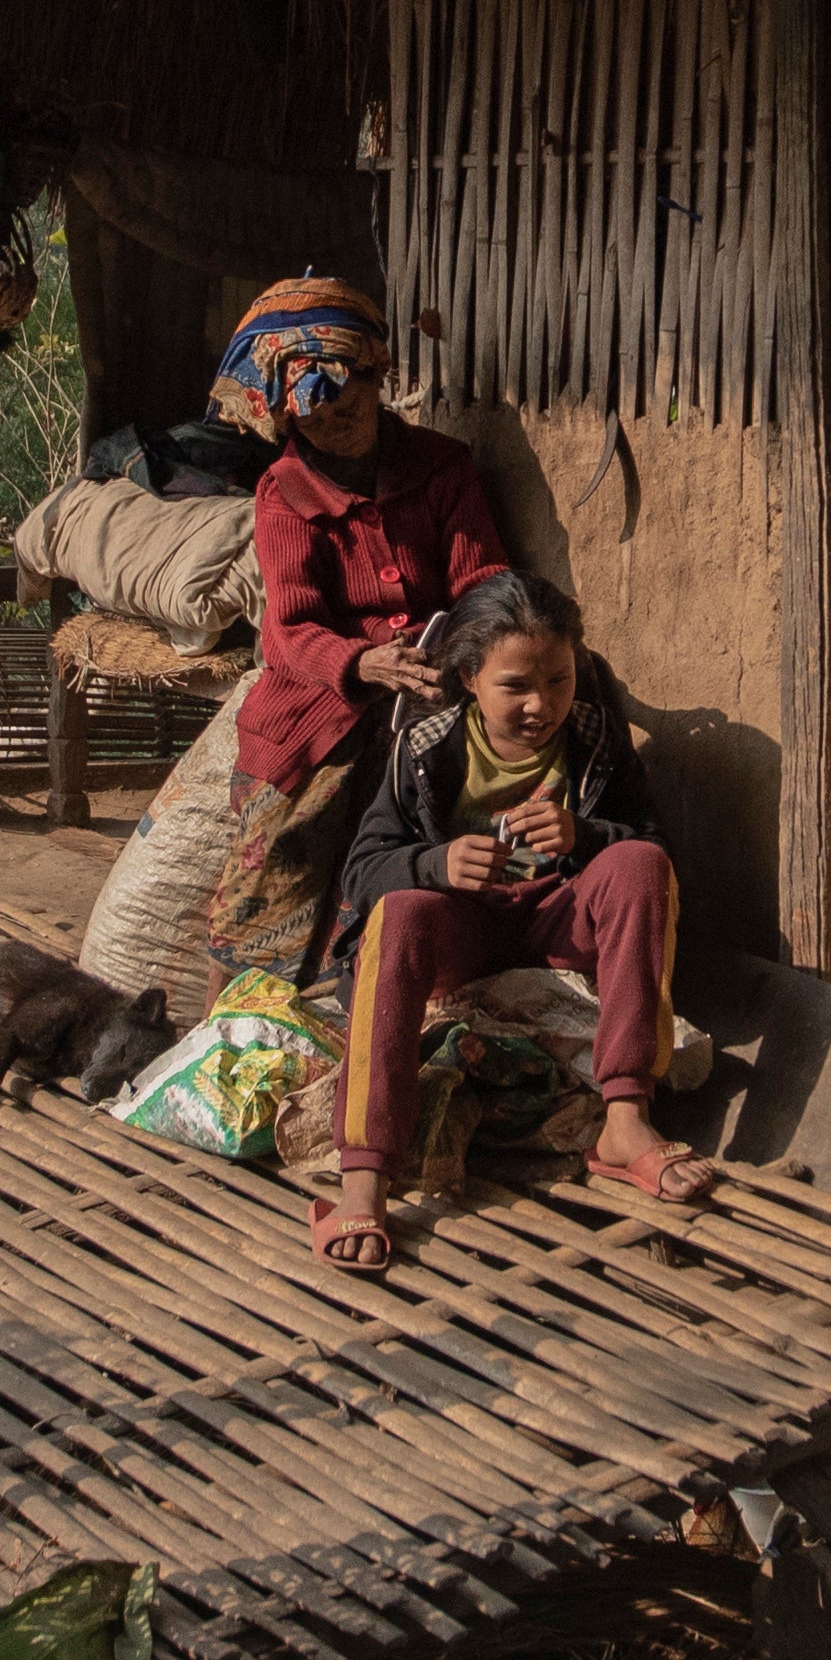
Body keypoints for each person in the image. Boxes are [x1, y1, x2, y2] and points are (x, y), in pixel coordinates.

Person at [315, 570, 705, 1270]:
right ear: (469, 677)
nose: (542, 704)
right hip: (465, 935)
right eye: (516, 686)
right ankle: (366, 1178)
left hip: (559, 926)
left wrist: (584, 837)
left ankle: (624, 1123)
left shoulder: (594, 739)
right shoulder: (426, 749)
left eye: (558, 680)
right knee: (401, 910)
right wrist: (435, 865)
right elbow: (363, 871)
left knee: (639, 865)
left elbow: (655, 850)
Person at [195, 275, 505, 985]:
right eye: (315, 414)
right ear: (284, 419)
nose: (339, 421)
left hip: (432, 689)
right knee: (274, 876)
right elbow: (291, 628)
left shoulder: (441, 467)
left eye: (351, 399)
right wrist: (364, 664)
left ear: (377, 375)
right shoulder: (284, 491)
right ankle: (230, 1029)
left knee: (413, 859)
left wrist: (457, 653)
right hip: (317, 707)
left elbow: (483, 582)